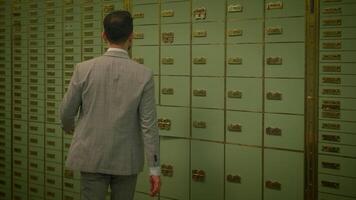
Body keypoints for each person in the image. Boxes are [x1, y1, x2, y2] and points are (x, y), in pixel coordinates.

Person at [60, 10, 161, 200]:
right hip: (126, 161)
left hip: (91, 155)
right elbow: (149, 126)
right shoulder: (144, 74)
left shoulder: (83, 69)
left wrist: (69, 128)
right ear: (131, 37)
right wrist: (154, 169)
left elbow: (66, 112)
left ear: (103, 35)